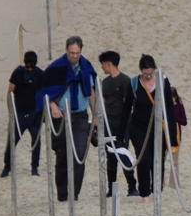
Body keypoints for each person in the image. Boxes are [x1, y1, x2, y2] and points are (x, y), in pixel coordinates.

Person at [40, 36, 98, 202]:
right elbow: (44, 89)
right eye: (72, 53)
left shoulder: (85, 67)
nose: (74, 56)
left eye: (77, 53)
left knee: (79, 155)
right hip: (61, 117)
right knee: (62, 157)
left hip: (80, 116)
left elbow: (91, 92)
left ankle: (74, 194)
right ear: (66, 50)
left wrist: (95, 115)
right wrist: (52, 105)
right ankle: (62, 194)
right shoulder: (56, 68)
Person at [97, 51, 138, 196]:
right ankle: (111, 189)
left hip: (123, 124)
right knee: (111, 158)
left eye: (103, 64)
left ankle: (132, 187)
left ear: (108, 64)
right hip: (108, 124)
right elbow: (102, 103)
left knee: (122, 154)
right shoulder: (105, 83)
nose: (102, 67)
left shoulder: (125, 81)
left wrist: (123, 125)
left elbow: (127, 105)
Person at [0, 50, 46, 177]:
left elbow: (44, 92)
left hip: (34, 114)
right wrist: (10, 112)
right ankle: (7, 167)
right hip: (19, 113)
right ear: (24, 62)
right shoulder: (17, 73)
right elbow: (10, 93)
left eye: (32, 66)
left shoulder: (39, 74)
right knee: (12, 141)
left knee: (36, 141)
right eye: (28, 66)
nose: (30, 69)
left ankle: (35, 168)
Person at [127, 54, 167, 199]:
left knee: (158, 159)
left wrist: (171, 131)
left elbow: (169, 106)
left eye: (151, 73)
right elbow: (126, 108)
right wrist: (120, 134)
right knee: (143, 159)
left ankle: (157, 190)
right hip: (138, 127)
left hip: (158, 127)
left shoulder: (162, 81)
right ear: (140, 70)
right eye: (145, 74)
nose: (148, 76)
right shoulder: (134, 83)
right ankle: (144, 193)